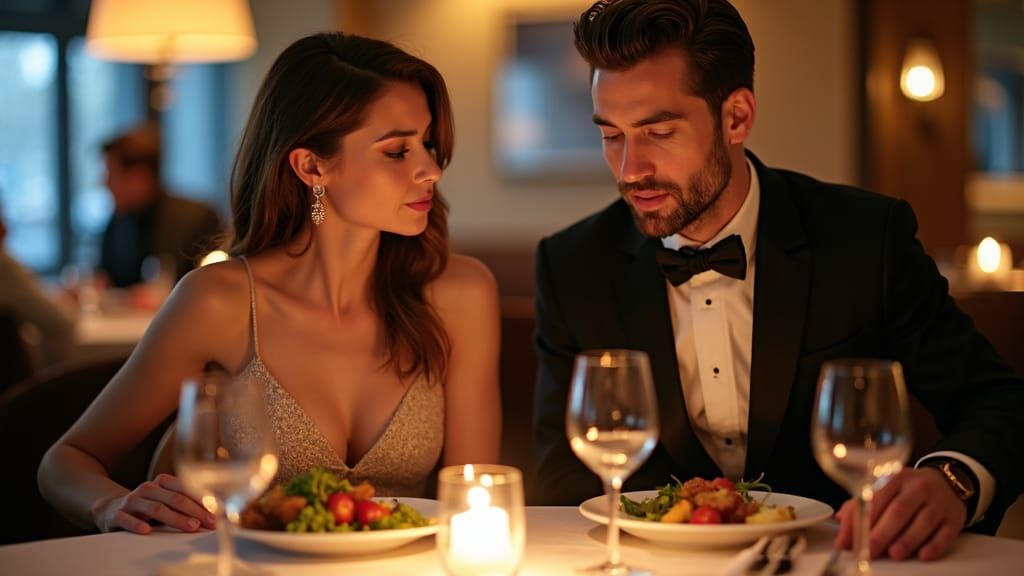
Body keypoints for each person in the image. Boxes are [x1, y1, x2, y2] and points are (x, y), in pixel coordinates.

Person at [532, 0, 1024, 562]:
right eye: (611, 135)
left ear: (737, 116)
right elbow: (561, 472)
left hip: (841, 559)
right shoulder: (571, 265)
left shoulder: (865, 239)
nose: (628, 169)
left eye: (659, 131)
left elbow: (996, 402)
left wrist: (953, 482)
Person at [39, 32, 501, 535]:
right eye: (397, 152)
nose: (431, 169)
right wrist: (111, 506)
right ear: (311, 165)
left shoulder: (460, 296)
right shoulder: (219, 302)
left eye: (428, 143)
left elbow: (471, 498)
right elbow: (67, 460)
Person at [98, 122, 222, 288]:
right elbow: (106, 278)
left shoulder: (196, 218)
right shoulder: (118, 221)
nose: (104, 183)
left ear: (139, 177)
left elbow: (216, 283)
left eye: (111, 173)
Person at [0, 203, 76, 368]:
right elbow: (59, 320)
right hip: (17, 391)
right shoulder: (3, 266)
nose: (6, 229)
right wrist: (67, 301)